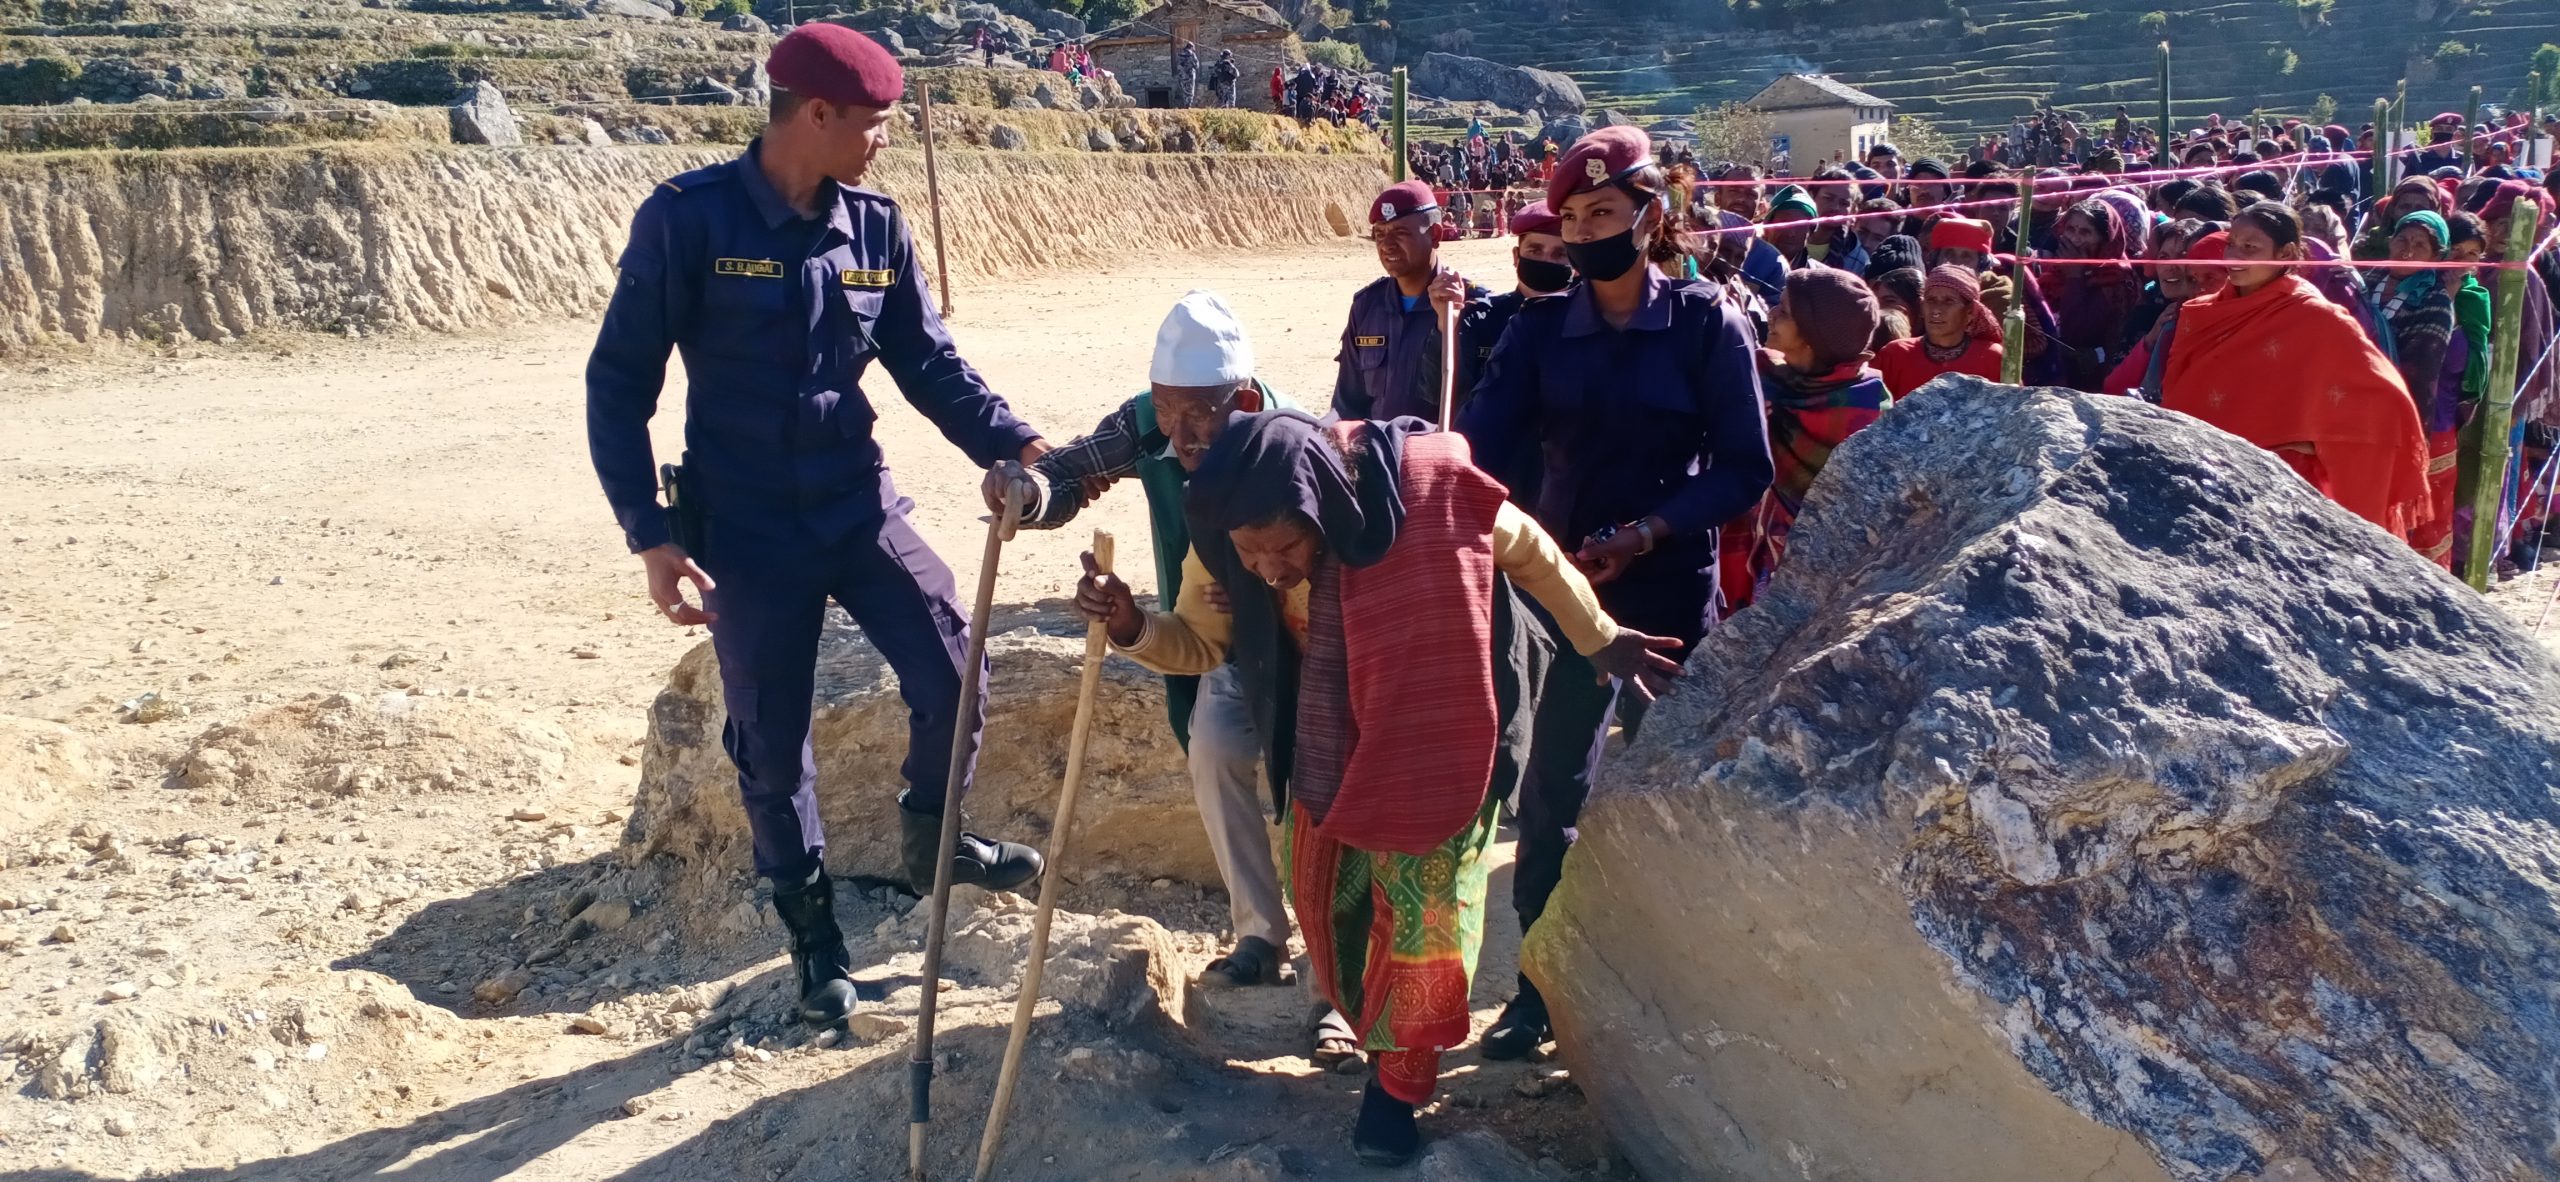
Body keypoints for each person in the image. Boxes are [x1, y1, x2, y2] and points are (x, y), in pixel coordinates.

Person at [584, 24, 1049, 1028]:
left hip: (854, 501)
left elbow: (926, 360)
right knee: (770, 738)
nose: (884, 139)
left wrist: (1012, 444)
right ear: (815, 114)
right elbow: (619, 383)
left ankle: (938, 842)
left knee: (952, 664)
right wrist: (650, 532)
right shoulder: (689, 219)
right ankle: (814, 944)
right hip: (747, 527)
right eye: (875, 122)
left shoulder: (875, 226)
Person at [1080, 411, 1682, 1164]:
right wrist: (1135, 624)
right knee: (1331, 900)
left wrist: (1600, 636)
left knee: (1424, 921)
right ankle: (1375, 1031)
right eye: (1251, 552)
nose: (1268, 568)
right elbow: (1202, 642)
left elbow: (1527, 549)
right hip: (1326, 742)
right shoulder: (1224, 532)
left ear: (1321, 507)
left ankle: (1396, 1089)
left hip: (1445, 725)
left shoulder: (1426, 495)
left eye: (1287, 547)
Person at [1459, 125, 1774, 1061]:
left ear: (1651, 214)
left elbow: (1744, 470)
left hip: (1674, 596)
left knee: (1673, 788)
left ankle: (1682, 994)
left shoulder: (1706, 323)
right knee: (1553, 792)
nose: (1587, 227)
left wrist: (1649, 532)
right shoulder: (1541, 329)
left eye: (1603, 210)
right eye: (1571, 214)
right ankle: (1538, 990)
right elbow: (1477, 442)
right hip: (1561, 598)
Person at [2158, 203, 2431, 541]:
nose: (2234, 256)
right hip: (2208, 474)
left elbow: (2388, 401)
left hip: (2284, 487)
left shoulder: (2317, 318)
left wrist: (2313, 439)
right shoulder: (2200, 315)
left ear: (2286, 252)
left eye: (2250, 248)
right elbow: (2180, 396)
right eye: (2233, 244)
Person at [1721, 269, 1889, 612]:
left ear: (1812, 336)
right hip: (1735, 543)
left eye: (1784, 311)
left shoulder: (1866, 413)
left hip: (1812, 572)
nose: (1771, 314)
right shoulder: (1759, 371)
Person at [1331, 180, 1493, 424]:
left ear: (1435, 234)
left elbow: (1476, 403)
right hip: (1378, 457)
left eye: (1401, 233)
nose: (1387, 245)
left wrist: (1448, 326)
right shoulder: (1366, 307)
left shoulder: (1474, 306)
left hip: (1437, 456)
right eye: (1380, 234)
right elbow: (1347, 403)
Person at [2364, 211, 2471, 569]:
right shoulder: (2367, 280)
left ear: (2436, 256)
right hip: (2352, 404)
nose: (2407, 250)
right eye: (2402, 240)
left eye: (2419, 245)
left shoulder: (2435, 301)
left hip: (2397, 411)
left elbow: (2422, 372)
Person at [2040, 196, 2143, 391]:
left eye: (2086, 232)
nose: (2075, 239)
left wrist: (2075, 276)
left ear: (2105, 239)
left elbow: (2077, 334)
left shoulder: (2116, 279)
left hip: (2092, 383)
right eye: (2070, 229)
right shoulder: (2055, 274)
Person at [1875, 263, 2005, 396]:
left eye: (1948, 301)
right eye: (1931, 300)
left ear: (1970, 311)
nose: (1936, 311)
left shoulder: (1992, 358)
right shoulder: (1896, 354)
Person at [1173, 39, 1199, 107]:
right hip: (1190, 75)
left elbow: (1178, 65)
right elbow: (1196, 66)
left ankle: (1185, 104)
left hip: (1182, 76)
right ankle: (1188, 105)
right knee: (1190, 91)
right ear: (1191, 47)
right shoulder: (1192, 55)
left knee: (1184, 90)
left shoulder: (1180, 54)